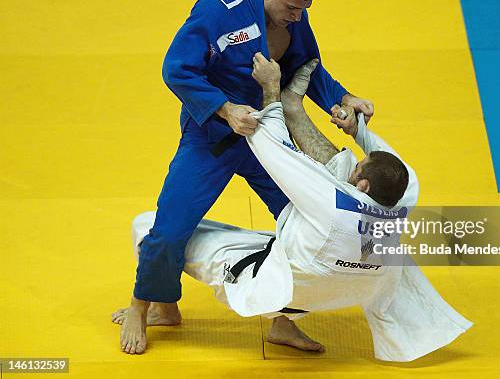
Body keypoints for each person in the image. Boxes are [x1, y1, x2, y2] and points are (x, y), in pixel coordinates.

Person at [113, 55, 472, 361]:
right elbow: (395, 167)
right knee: (313, 248)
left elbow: (276, 151)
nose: (354, 168)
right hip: (343, 290)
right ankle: (284, 325)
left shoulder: (331, 206)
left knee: (152, 227)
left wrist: (271, 90)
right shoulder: (402, 203)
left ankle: (151, 305)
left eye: (357, 171)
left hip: (275, 282)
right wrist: (358, 130)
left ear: (362, 185)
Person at [120, 0, 375, 354]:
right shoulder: (218, 13)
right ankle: (147, 305)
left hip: (267, 141)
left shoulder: (293, 15)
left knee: (304, 225)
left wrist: (343, 99)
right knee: (170, 229)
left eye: (304, 9)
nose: (297, 16)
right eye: (291, 7)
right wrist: (225, 108)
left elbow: (306, 67)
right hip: (214, 137)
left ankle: (284, 320)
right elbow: (177, 69)